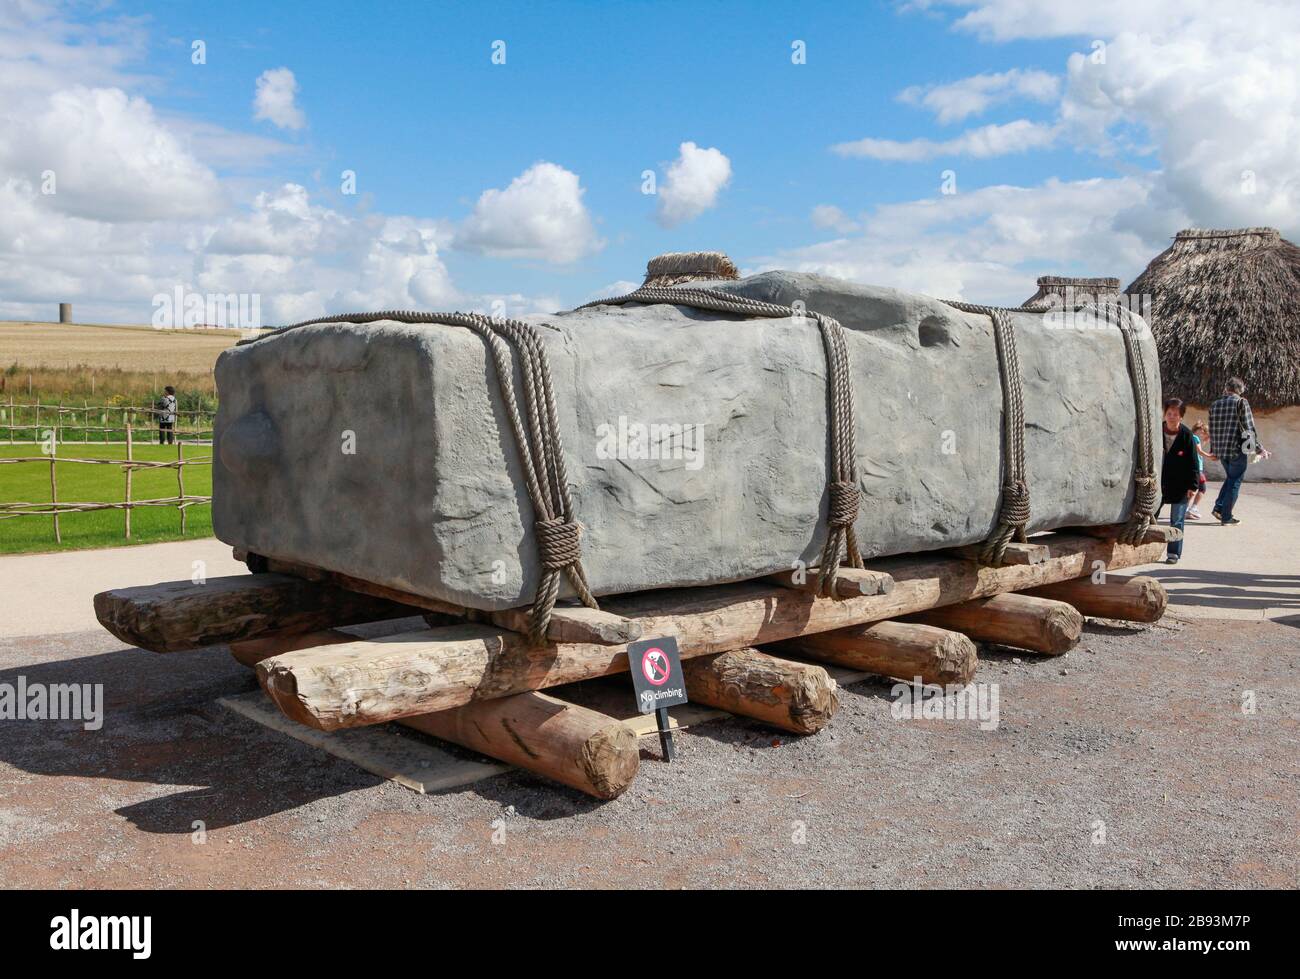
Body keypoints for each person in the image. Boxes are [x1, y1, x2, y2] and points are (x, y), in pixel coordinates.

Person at [1207, 377, 1272, 525]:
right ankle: (1226, 517)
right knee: (1235, 481)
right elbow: (1249, 429)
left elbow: (1212, 429)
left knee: (1231, 478)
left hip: (1222, 451)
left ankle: (1219, 508)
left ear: (1226, 388)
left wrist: (1214, 450)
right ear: (1240, 390)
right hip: (1236, 450)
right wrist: (1259, 449)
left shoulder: (1215, 405)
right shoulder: (1241, 402)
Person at [1159, 398, 1199, 564]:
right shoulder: (1156, 431)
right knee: (1149, 516)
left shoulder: (1186, 435)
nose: (1172, 417)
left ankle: (1173, 553)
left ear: (1181, 416)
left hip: (1180, 484)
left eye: (1176, 414)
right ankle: (1143, 550)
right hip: (1158, 484)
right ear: (1165, 414)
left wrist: (1193, 485)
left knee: (1177, 520)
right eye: (1169, 413)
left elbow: (1193, 462)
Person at [1187, 419, 1212, 519]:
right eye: (1202, 431)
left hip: (1193, 467)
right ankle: (1193, 508)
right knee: (1202, 488)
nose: (1202, 434)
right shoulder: (1195, 438)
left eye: (1204, 432)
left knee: (1192, 489)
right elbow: (1200, 452)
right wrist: (1210, 456)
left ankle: (1186, 509)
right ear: (1197, 430)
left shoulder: (1191, 437)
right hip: (1197, 468)